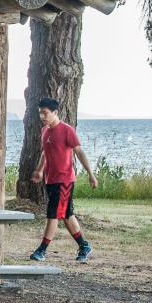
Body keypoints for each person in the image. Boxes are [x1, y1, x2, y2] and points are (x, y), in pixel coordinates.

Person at [29, 97, 97, 262]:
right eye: (40, 113)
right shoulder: (45, 131)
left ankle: (42, 250)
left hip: (64, 180)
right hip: (50, 180)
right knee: (66, 214)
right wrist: (39, 170)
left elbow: (79, 152)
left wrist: (90, 174)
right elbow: (45, 152)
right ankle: (84, 246)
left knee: (53, 214)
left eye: (45, 113)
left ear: (55, 112)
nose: (42, 117)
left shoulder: (67, 130)